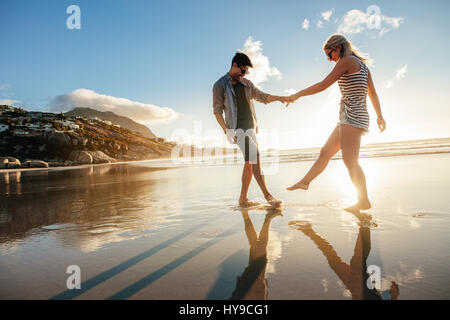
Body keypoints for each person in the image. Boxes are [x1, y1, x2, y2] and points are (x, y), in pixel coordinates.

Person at [285, 34, 386, 212]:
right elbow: (373, 93)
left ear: (338, 47)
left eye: (329, 54)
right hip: (351, 116)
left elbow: (323, 85)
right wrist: (379, 115)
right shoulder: (363, 66)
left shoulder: (346, 61)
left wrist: (298, 94)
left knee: (350, 161)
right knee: (325, 152)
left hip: (352, 116)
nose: (329, 59)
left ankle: (364, 200)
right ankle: (305, 182)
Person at [213, 52, 287, 207]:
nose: (244, 74)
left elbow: (262, 97)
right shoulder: (220, 85)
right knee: (250, 161)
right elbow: (217, 111)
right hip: (237, 129)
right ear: (234, 65)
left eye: (246, 72)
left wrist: (280, 98)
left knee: (255, 162)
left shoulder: (246, 84)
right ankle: (266, 196)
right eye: (242, 70)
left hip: (251, 128)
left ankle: (243, 199)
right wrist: (227, 130)